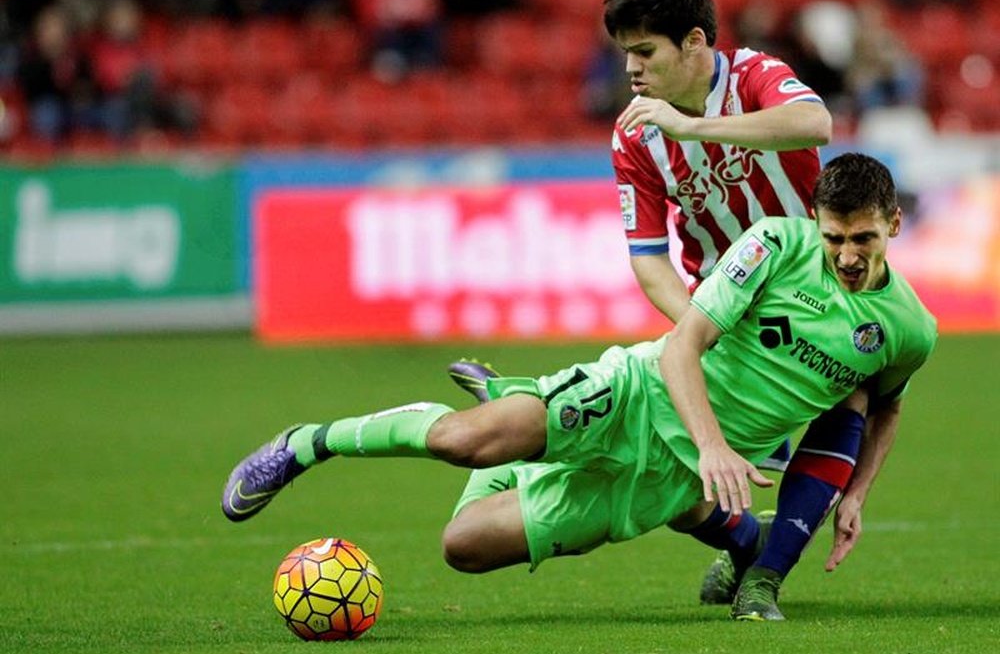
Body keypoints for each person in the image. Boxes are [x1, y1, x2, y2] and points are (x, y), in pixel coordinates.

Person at [222, 153, 937, 621]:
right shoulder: (775, 246)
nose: (845, 255)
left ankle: (520, 438)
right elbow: (684, 343)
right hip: (635, 393)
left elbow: (884, 406)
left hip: (663, 482)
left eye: (863, 240)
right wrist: (716, 444)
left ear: (894, 226)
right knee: (462, 441)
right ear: (815, 220)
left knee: (462, 545)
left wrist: (857, 495)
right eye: (834, 236)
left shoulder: (908, 327)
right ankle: (306, 444)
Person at [451, 0, 848, 614]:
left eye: (644, 51)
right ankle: (754, 555)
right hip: (722, 316)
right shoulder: (635, 132)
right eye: (623, 53)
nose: (629, 68)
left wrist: (694, 127)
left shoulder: (753, 76)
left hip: (817, 299)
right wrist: (702, 321)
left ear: (695, 42)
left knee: (850, 393)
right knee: (678, 465)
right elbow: (647, 257)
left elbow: (815, 125)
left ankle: (761, 564)